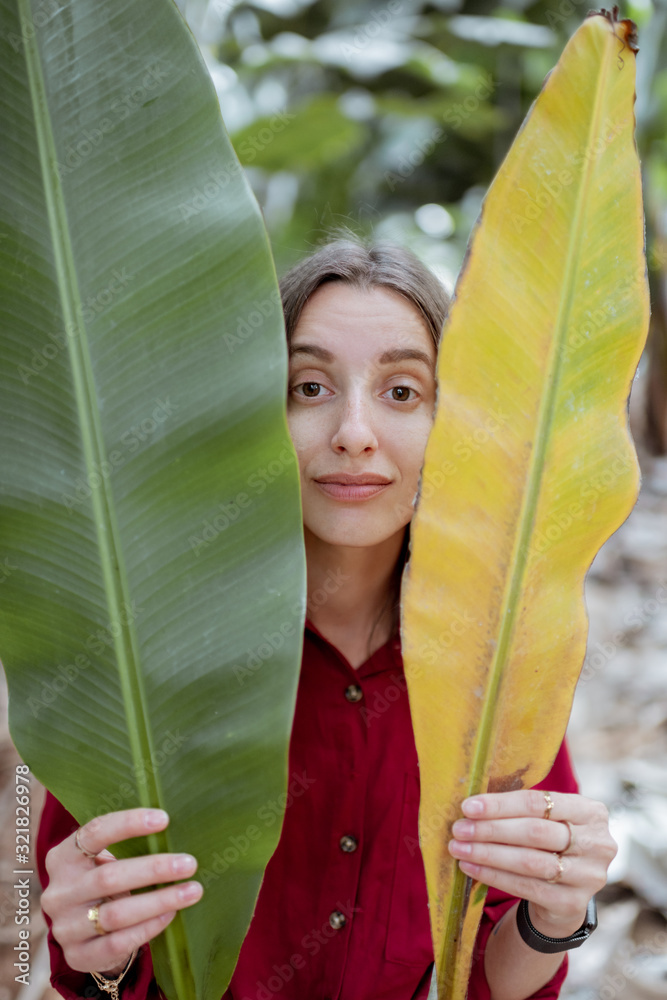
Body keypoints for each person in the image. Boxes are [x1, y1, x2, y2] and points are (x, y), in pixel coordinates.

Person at [37, 235, 617, 1000]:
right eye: (308, 387)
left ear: (457, 428)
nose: (352, 431)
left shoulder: (501, 658)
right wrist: (97, 952)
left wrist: (557, 907)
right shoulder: (145, 659)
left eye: (402, 392)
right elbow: (95, 967)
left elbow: (495, 981)